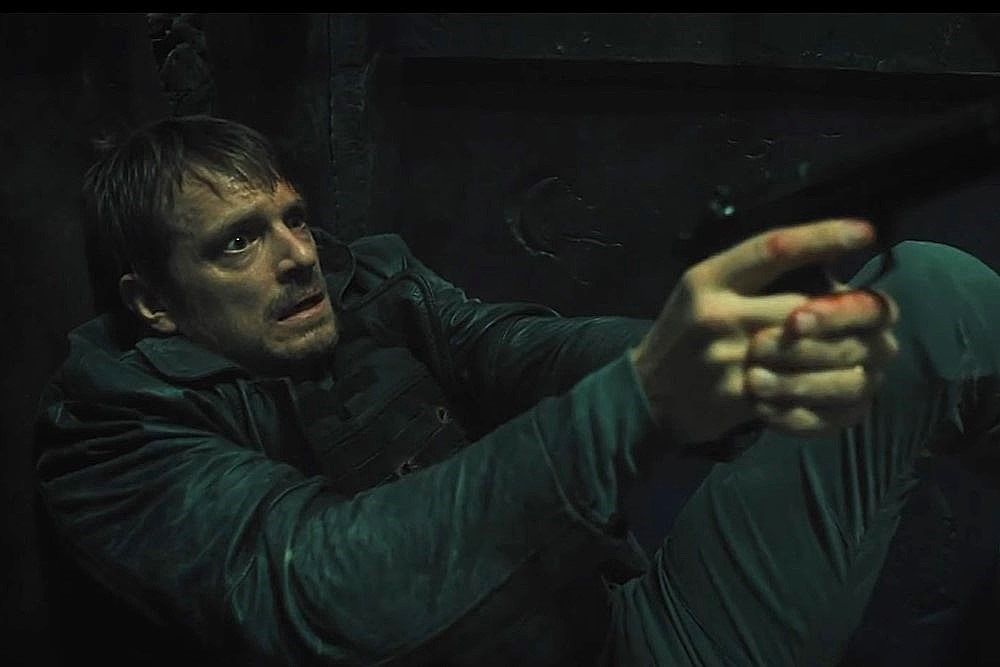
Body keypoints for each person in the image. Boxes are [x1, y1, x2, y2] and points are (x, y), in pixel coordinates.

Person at [32, 115, 1000, 666]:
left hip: (622, 633)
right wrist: (642, 399)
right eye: (240, 241)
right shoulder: (113, 436)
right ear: (152, 301)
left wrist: (719, 364)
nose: (298, 256)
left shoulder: (370, 289)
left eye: (294, 217)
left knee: (929, 293)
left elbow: (517, 349)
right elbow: (320, 585)